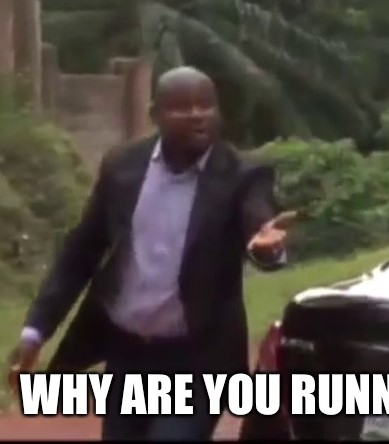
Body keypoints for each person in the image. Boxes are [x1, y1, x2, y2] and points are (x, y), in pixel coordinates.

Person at [7, 66, 295, 440]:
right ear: (155, 114)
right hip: (127, 354)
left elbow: (258, 220)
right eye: (182, 106)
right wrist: (35, 332)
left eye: (206, 105)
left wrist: (268, 247)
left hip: (198, 361)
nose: (197, 115)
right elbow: (80, 253)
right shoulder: (123, 166)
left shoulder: (243, 175)